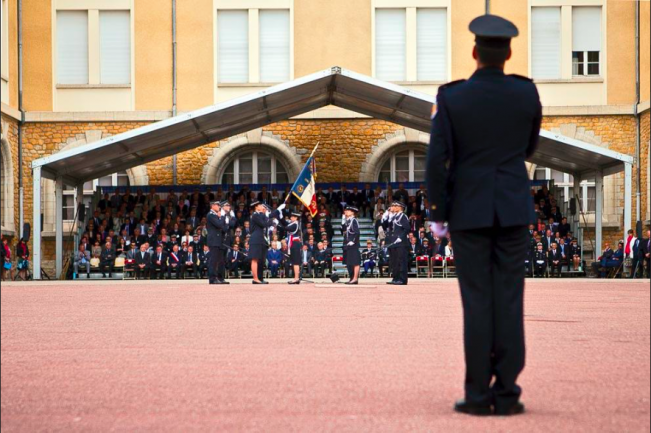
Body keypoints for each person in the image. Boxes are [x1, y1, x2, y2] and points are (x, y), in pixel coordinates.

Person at [425, 15, 541, 416]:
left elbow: (436, 160)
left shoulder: (452, 98)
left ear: (475, 52)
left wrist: (437, 211)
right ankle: (507, 393)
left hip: (468, 211)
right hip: (511, 207)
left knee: (476, 303)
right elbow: (528, 148)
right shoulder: (526, 94)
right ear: (508, 54)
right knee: (509, 300)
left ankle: (477, 395)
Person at [250, 201, 285, 284]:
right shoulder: (255, 215)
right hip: (256, 239)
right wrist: (272, 222)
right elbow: (263, 224)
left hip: (262, 240)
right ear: (256, 207)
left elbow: (268, 216)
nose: (263, 207)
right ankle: (255, 278)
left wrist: (277, 210)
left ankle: (260, 278)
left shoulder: (261, 215)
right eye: (260, 205)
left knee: (261, 260)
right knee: (255, 259)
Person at [383, 201, 410, 286]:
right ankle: (395, 277)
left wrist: (400, 237)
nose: (392, 207)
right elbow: (386, 226)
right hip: (393, 242)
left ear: (400, 207)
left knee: (401, 261)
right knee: (394, 261)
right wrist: (387, 216)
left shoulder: (403, 216)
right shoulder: (394, 216)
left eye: (395, 205)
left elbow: (407, 228)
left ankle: (402, 279)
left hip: (400, 242)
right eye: (392, 205)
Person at [206, 201, 228, 285]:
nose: (219, 206)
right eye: (217, 205)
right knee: (213, 260)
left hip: (218, 240)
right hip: (213, 240)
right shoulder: (210, 215)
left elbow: (223, 227)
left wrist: (221, 217)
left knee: (219, 260)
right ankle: (212, 278)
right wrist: (222, 216)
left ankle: (219, 277)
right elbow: (219, 225)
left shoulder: (216, 215)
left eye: (219, 205)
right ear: (212, 206)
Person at [341, 206, 361, 285]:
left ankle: (355, 278)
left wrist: (353, 241)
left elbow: (357, 232)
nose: (346, 212)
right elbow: (343, 232)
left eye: (348, 211)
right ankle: (351, 278)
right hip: (347, 244)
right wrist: (342, 222)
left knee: (355, 262)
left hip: (353, 244)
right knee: (349, 262)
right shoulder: (348, 221)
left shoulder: (354, 221)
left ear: (352, 212)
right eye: (346, 210)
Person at [283, 212, 304, 284]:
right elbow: (285, 224)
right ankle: (296, 278)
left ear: (296, 218)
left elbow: (286, 228)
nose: (291, 218)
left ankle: (296, 278)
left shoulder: (295, 224)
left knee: (295, 262)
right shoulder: (293, 224)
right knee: (294, 262)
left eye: (292, 217)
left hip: (295, 243)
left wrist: (280, 222)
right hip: (293, 243)